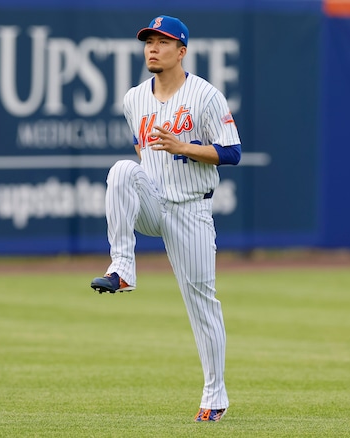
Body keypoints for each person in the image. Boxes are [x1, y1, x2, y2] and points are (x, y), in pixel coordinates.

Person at [90, 15, 241, 422]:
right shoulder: (133, 98)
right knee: (122, 171)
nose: (153, 48)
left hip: (192, 208)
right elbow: (142, 150)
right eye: (149, 41)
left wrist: (185, 147)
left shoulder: (205, 95)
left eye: (163, 41)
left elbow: (232, 152)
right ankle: (122, 267)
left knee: (201, 304)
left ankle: (216, 396)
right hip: (155, 202)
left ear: (182, 51)